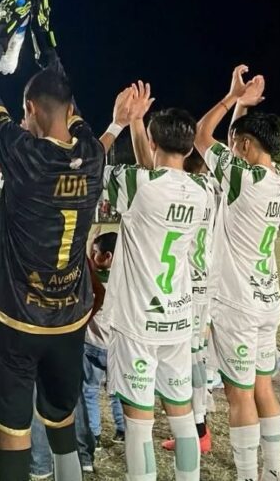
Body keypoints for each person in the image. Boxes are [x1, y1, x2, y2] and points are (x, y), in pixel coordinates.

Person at [0, 0, 129, 480]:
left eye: (24, 110)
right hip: (68, 320)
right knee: (61, 423)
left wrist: (2, 32)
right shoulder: (93, 153)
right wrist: (46, 37)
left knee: (13, 433)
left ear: (31, 110)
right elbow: (66, 102)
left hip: (16, 319)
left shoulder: (24, 155)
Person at [195, 65, 280, 481]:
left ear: (246, 145)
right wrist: (242, 110)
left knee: (240, 396)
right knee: (263, 388)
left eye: (237, 144)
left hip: (237, 303)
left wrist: (231, 98)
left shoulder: (241, 176)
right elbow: (233, 148)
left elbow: (202, 135)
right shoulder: (279, 182)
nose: (232, 149)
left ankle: (248, 476)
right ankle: (273, 472)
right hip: (267, 299)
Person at [103, 100, 207, 480]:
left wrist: (121, 124)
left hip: (138, 322)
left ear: (151, 141)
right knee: (183, 418)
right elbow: (156, 175)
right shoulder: (201, 191)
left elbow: (89, 165)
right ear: (191, 147)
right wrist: (138, 123)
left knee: (139, 425)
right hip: (177, 320)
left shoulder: (137, 184)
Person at [159, 148, 218, 454]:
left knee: (189, 358)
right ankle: (199, 426)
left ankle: (198, 430)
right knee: (196, 355)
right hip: (205, 279)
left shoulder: (187, 189)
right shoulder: (209, 188)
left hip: (190, 284)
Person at [78, 230, 125, 472]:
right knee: (117, 391)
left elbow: (87, 266)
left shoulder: (93, 279)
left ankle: (94, 434)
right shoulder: (126, 278)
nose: (92, 256)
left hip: (93, 345)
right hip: (117, 347)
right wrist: (90, 245)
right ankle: (122, 430)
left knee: (89, 391)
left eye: (96, 253)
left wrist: (86, 242)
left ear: (107, 256)